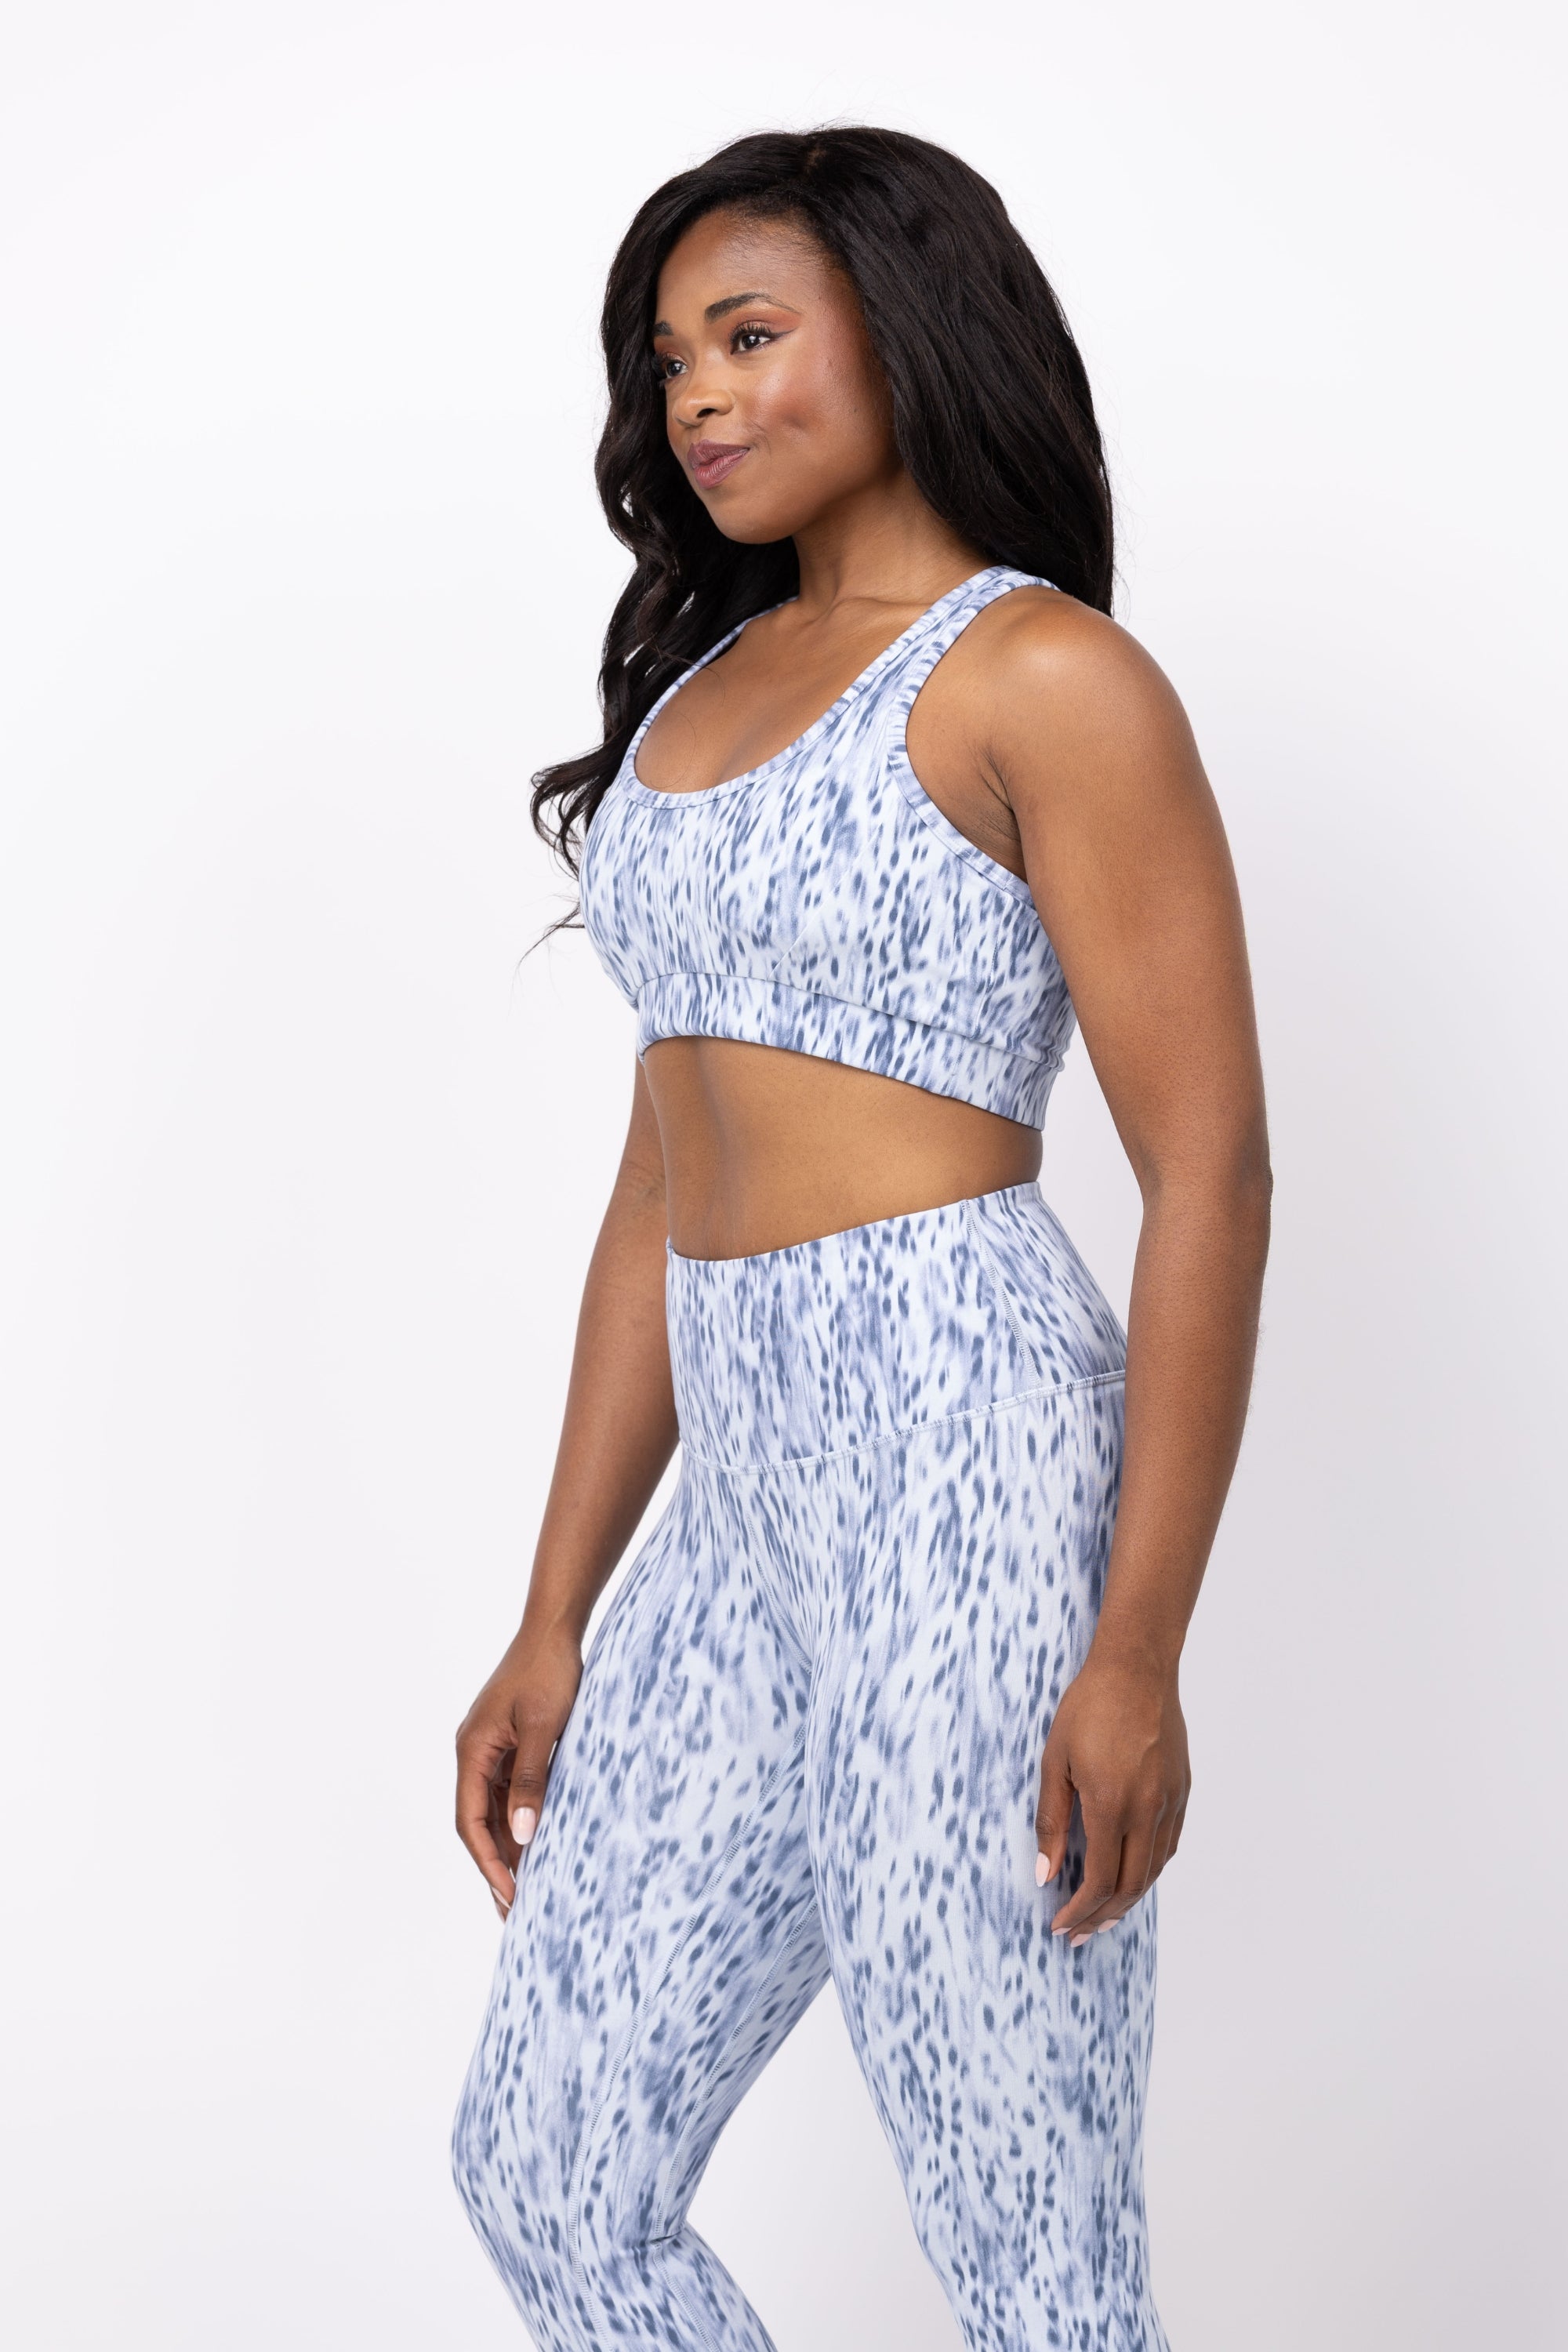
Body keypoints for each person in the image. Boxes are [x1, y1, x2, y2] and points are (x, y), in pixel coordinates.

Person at [450, 125, 1271, 2352]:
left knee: (1022, 2229)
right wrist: (555, 1612)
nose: (697, 397)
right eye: (668, 359)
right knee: (551, 2171)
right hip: (740, 1491)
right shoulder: (696, 698)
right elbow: (666, 1170)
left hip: (964, 1453)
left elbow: (1211, 1173)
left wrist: (1136, 1649)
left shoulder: (1043, 681)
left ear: (907, 331)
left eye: (748, 335)